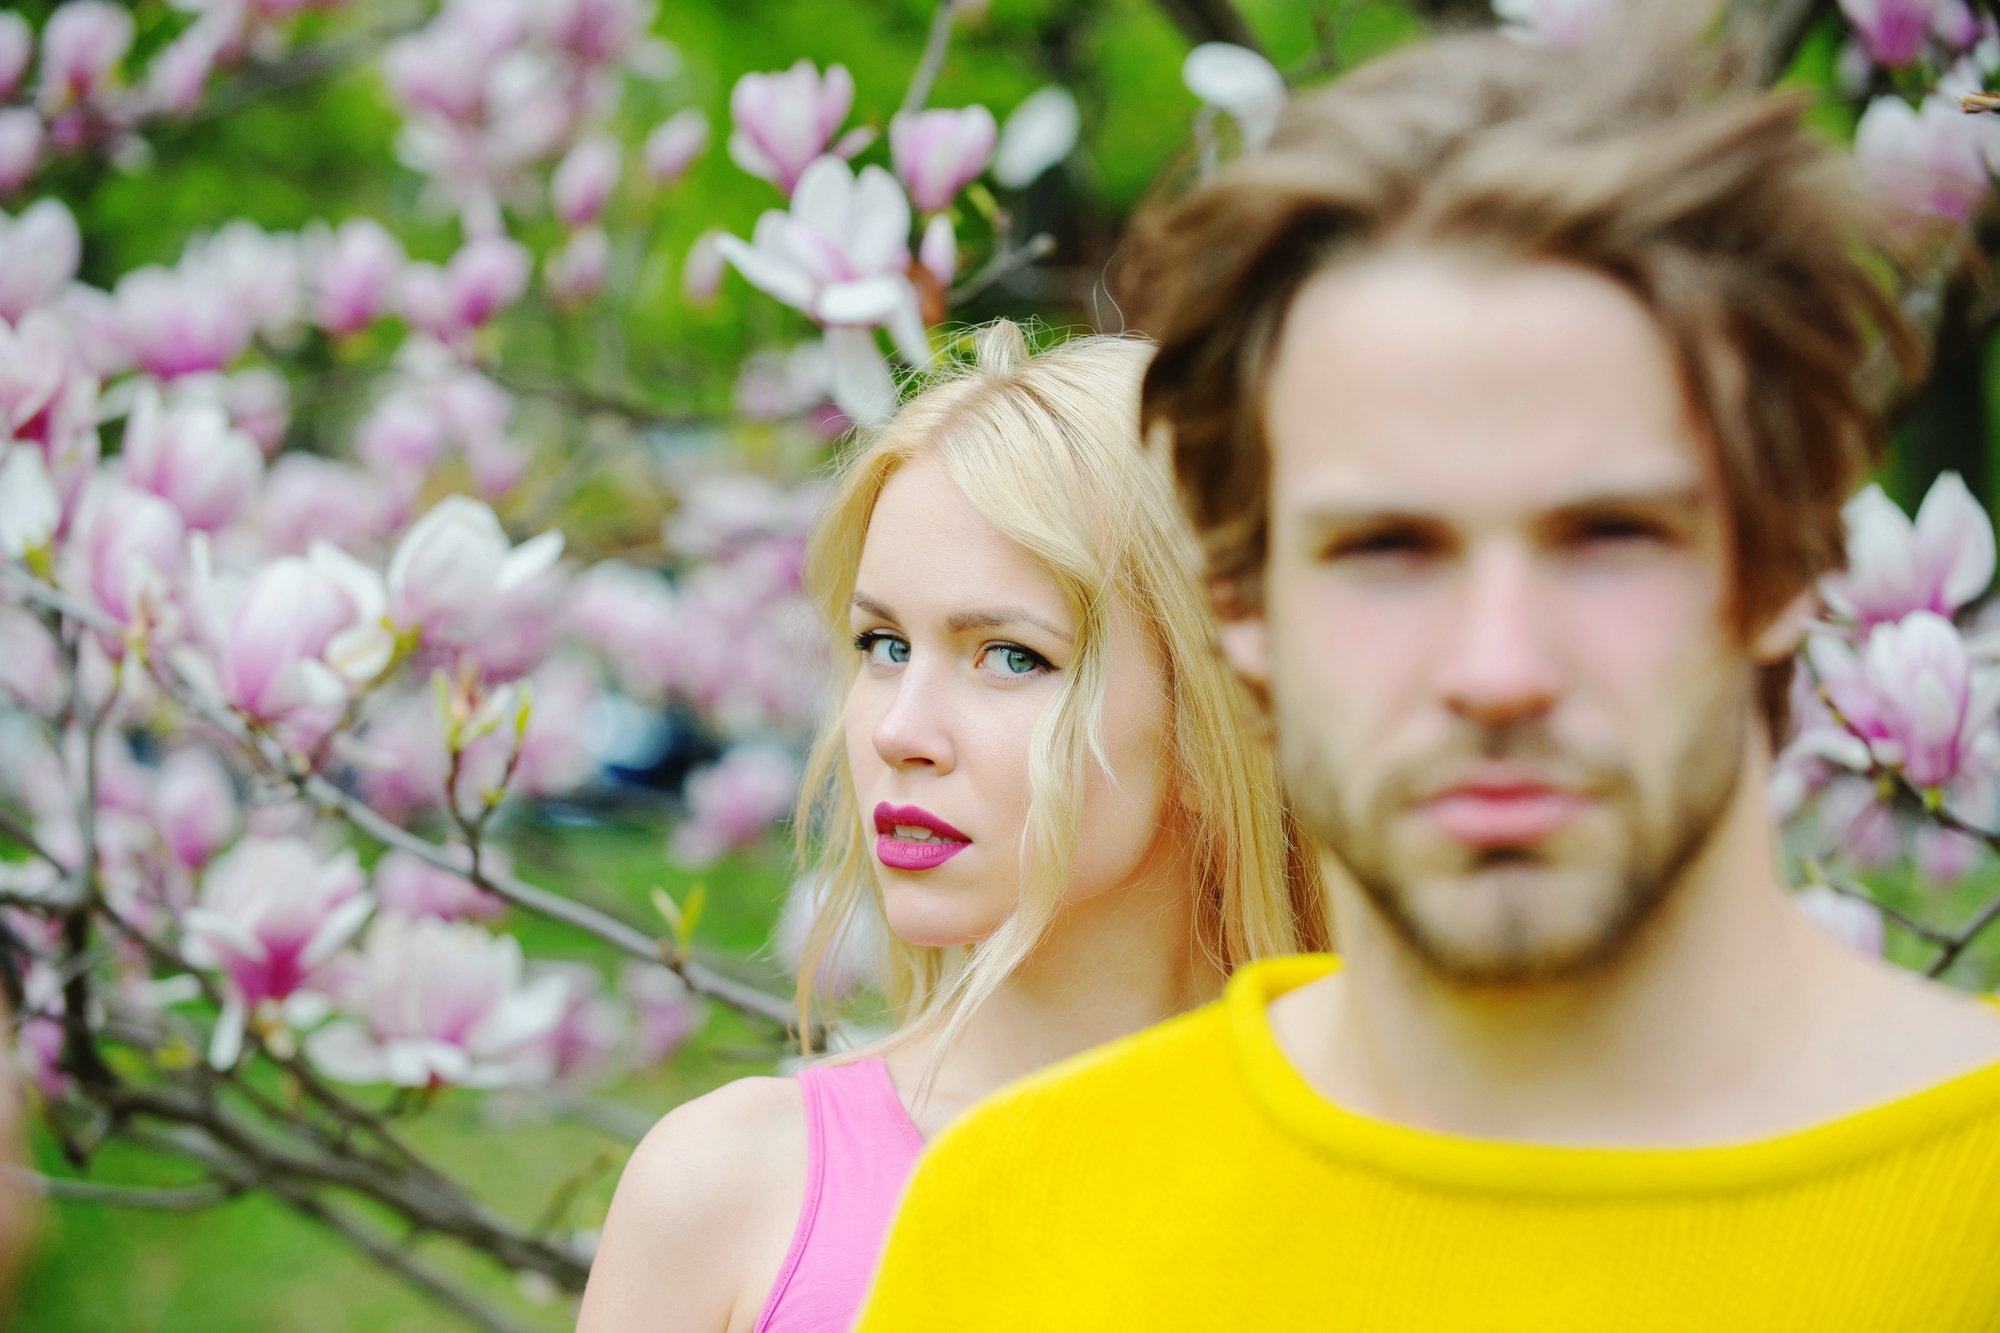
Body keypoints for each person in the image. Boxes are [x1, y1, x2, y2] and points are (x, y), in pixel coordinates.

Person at [853, 27, 2000, 1333]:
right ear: (1240, 602)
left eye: (1608, 537)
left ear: (1790, 558)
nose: (1497, 670)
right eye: (1386, 550)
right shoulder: (1015, 1221)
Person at [577, 323, 1329, 1333]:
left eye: (1010, 656)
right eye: (883, 644)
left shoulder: (1383, 1189)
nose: (898, 730)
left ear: (1220, 716)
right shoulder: (728, 1195)